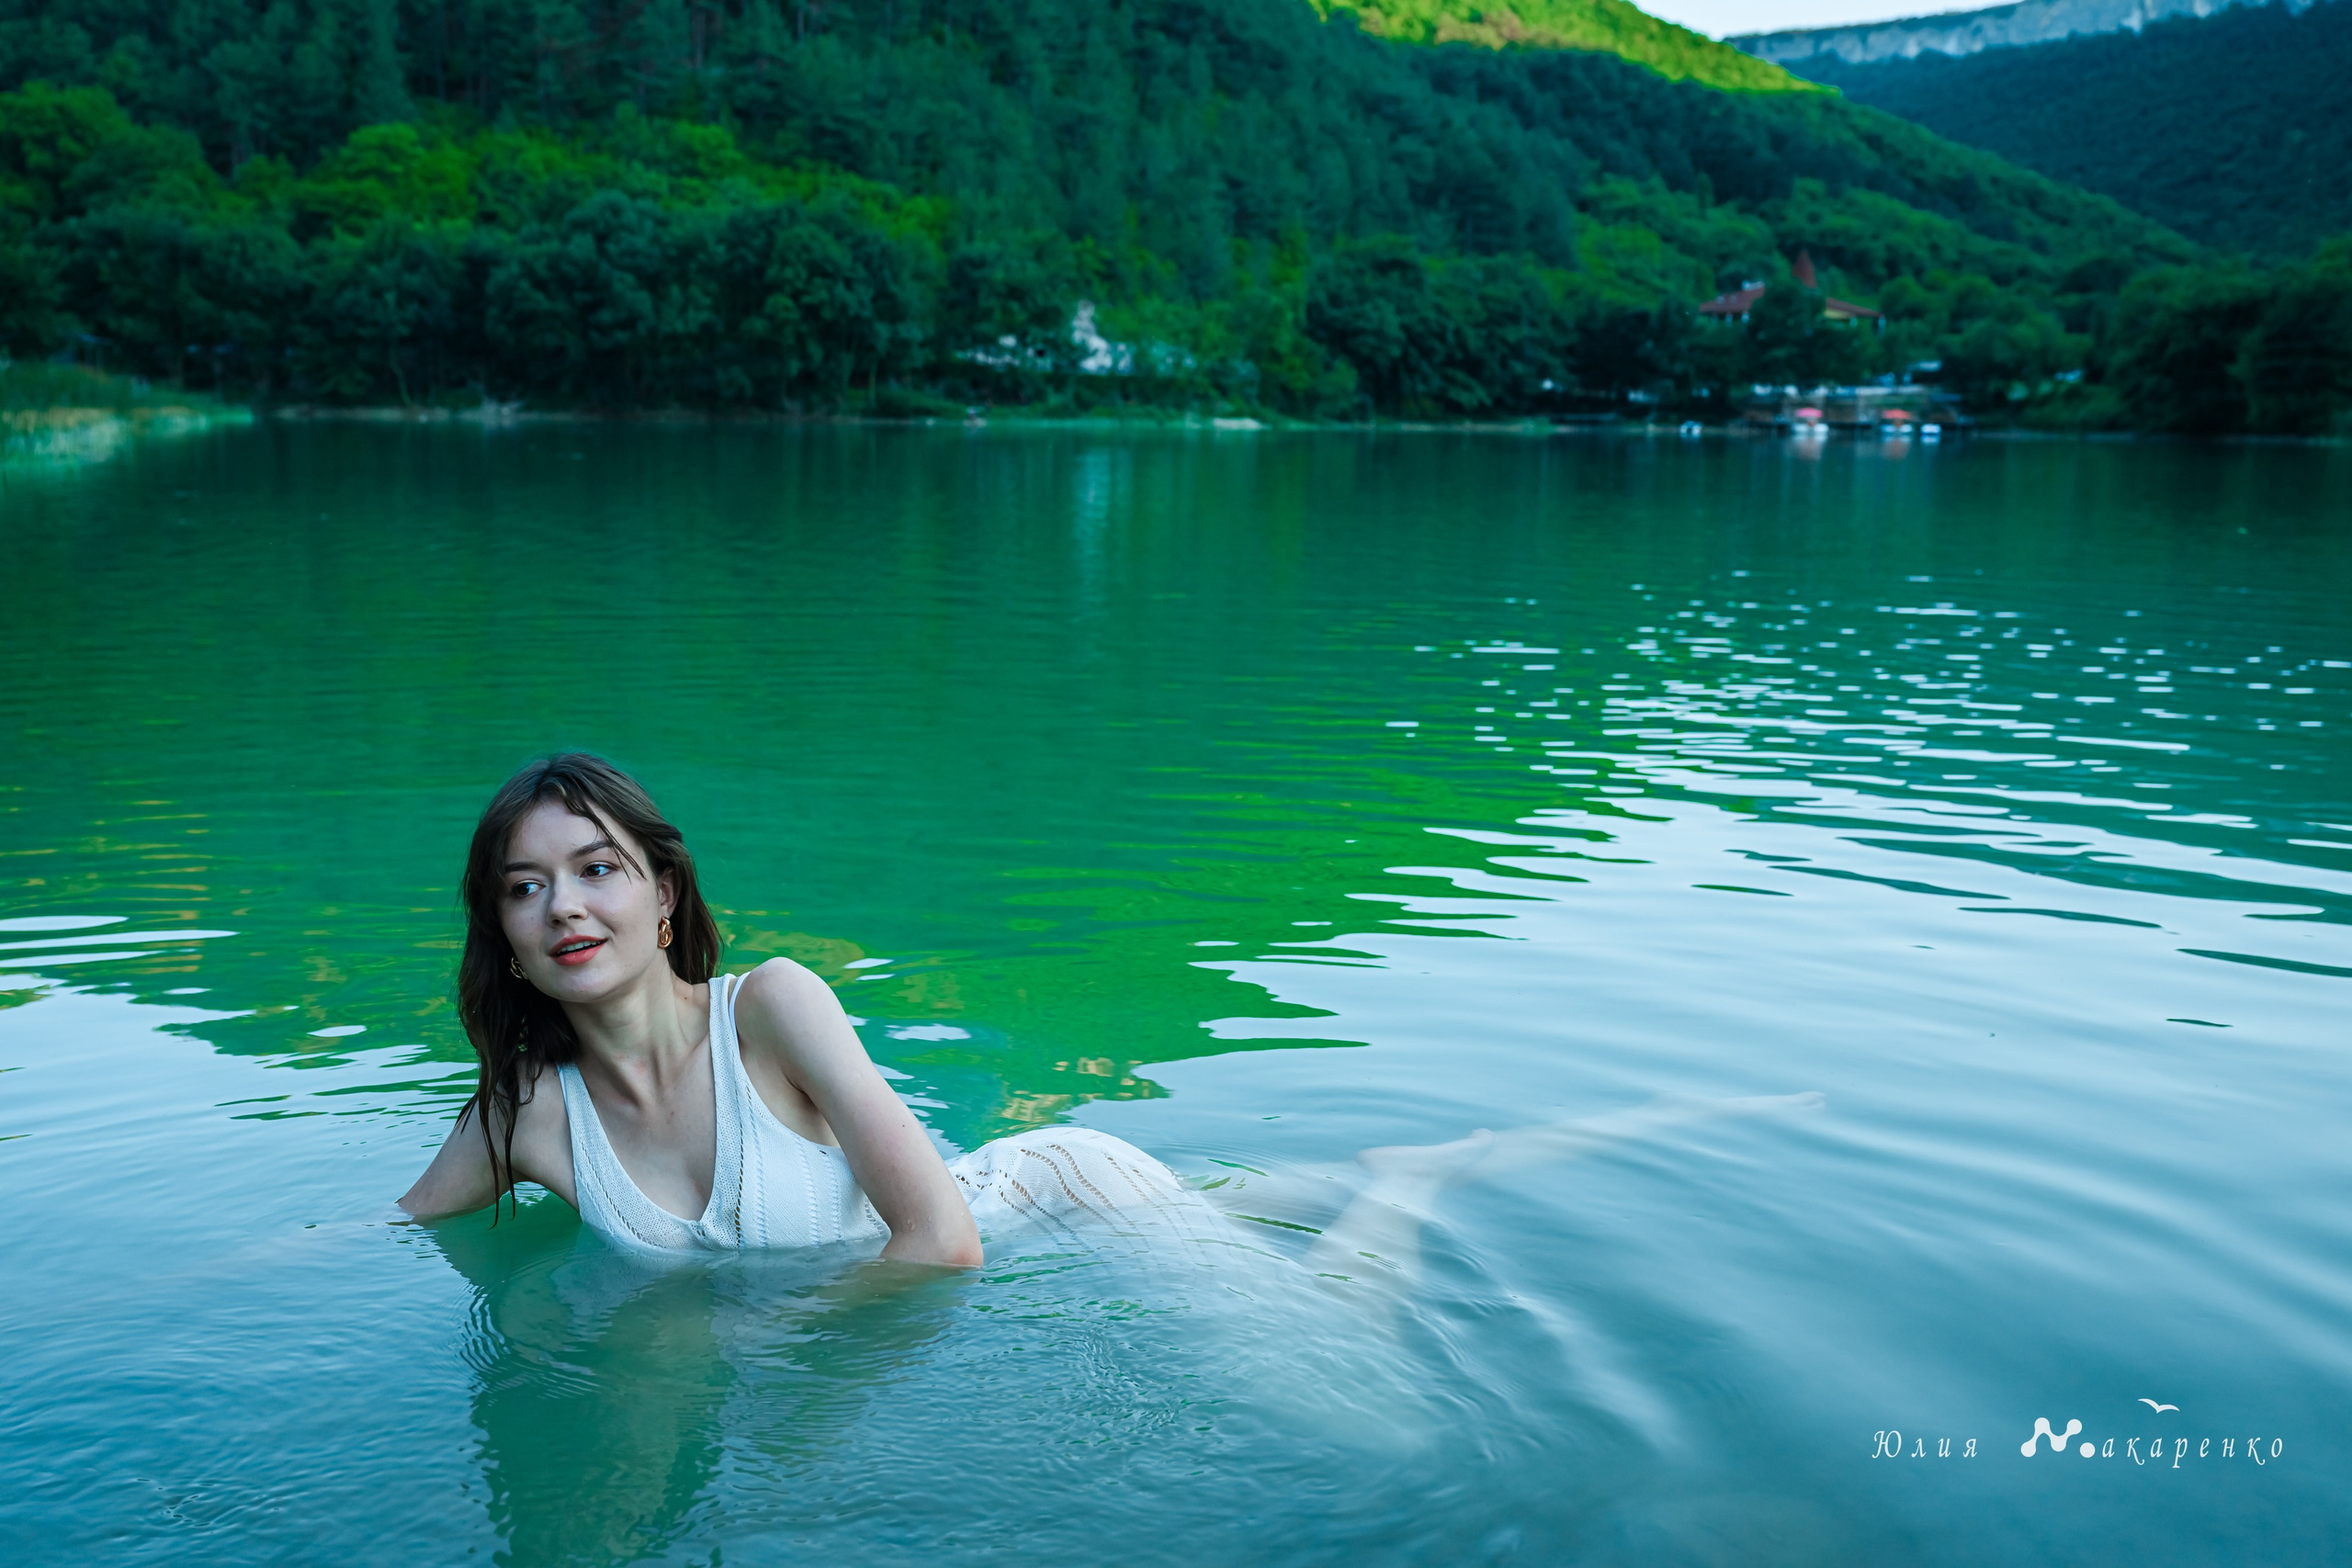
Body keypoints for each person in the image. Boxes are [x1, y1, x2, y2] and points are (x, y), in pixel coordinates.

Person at [401, 753, 1822, 1276]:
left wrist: (747, 1361)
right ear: (507, 945)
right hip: (1032, 1235)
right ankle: (1360, 1183)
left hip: (1053, 1193)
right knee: (1243, 1215)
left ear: (662, 896)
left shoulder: (774, 1007)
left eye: (596, 870)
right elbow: (384, 1237)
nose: (563, 907)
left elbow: (944, 1240)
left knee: (1337, 1386)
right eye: (524, 890)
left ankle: (1398, 1198)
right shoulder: (527, 1116)